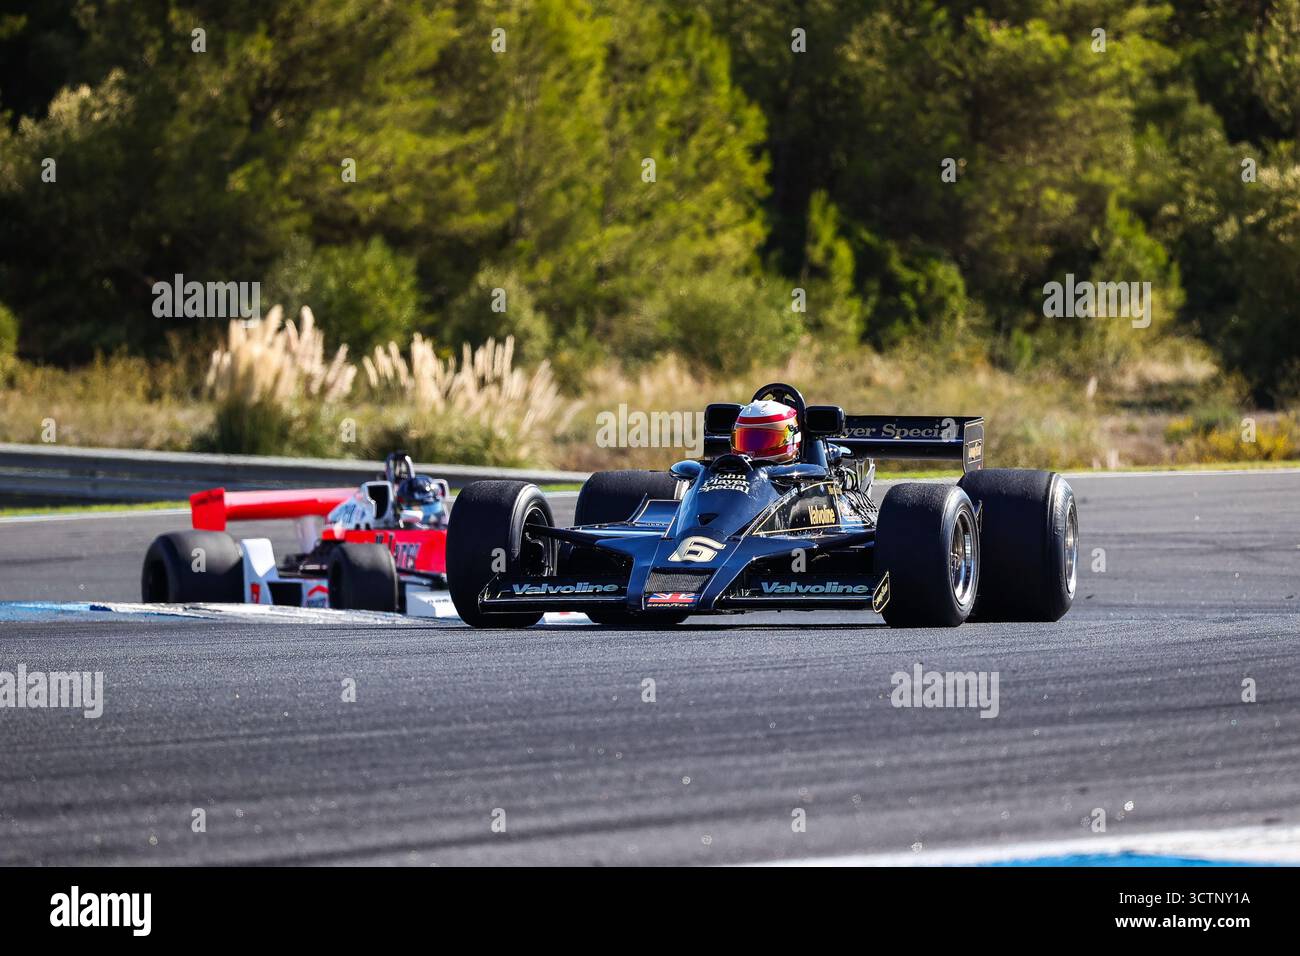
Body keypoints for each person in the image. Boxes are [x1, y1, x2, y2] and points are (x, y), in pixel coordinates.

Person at [730, 400, 802, 463]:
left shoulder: (804, 476)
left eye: (761, 440)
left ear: (790, 439)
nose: (750, 452)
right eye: (746, 440)